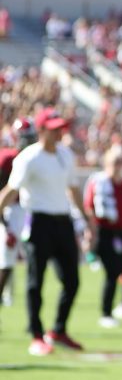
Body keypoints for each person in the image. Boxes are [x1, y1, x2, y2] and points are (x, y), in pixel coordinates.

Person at [0, 109, 85, 356]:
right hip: (38, 221)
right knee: (35, 281)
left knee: (72, 280)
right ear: (42, 130)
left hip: (63, 221)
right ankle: (36, 335)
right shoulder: (28, 158)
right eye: (54, 128)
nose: (60, 132)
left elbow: (73, 189)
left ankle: (58, 329)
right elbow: (11, 190)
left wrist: (86, 218)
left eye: (61, 127)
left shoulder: (65, 155)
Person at [84, 147, 122, 329]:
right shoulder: (99, 183)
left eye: (121, 162)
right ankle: (106, 312)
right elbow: (89, 207)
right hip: (105, 232)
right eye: (115, 162)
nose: (119, 166)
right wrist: (90, 232)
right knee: (112, 272)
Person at [0, 117, 37, 313]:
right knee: (5, 262)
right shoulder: (7, 158)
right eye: (26, 138)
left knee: (35, 261)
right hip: (9, 211)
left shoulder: (36, 157)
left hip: (29, 211)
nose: (29, 142)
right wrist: (4, 224)